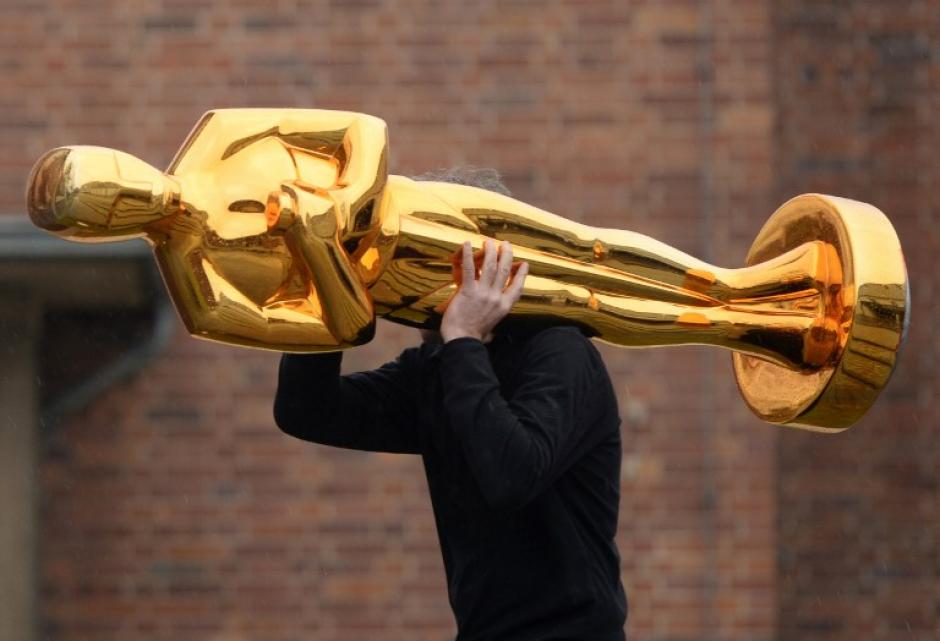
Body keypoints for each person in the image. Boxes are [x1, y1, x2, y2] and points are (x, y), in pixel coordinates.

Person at [274, 185, 628, 640]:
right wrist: (328, 285)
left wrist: (463, 336)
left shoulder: (561, 352)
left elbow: (511, 474)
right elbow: (306, 411)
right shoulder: (441, 368)